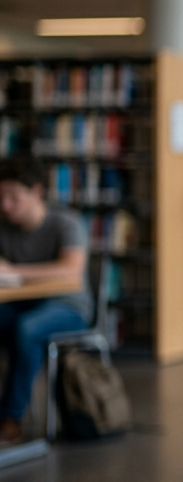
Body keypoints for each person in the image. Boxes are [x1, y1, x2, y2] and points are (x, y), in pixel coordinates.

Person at [0, 160, 90, 442]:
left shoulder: (66, 222)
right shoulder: (3, 225)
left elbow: (71, 268)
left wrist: (14, 271)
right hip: (20, 303)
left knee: (28, 329)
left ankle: (10, 417)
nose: (6, 205)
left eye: (15, 197)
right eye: (1, 197)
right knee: (16, 325)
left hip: (68, 306)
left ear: (37, 192)